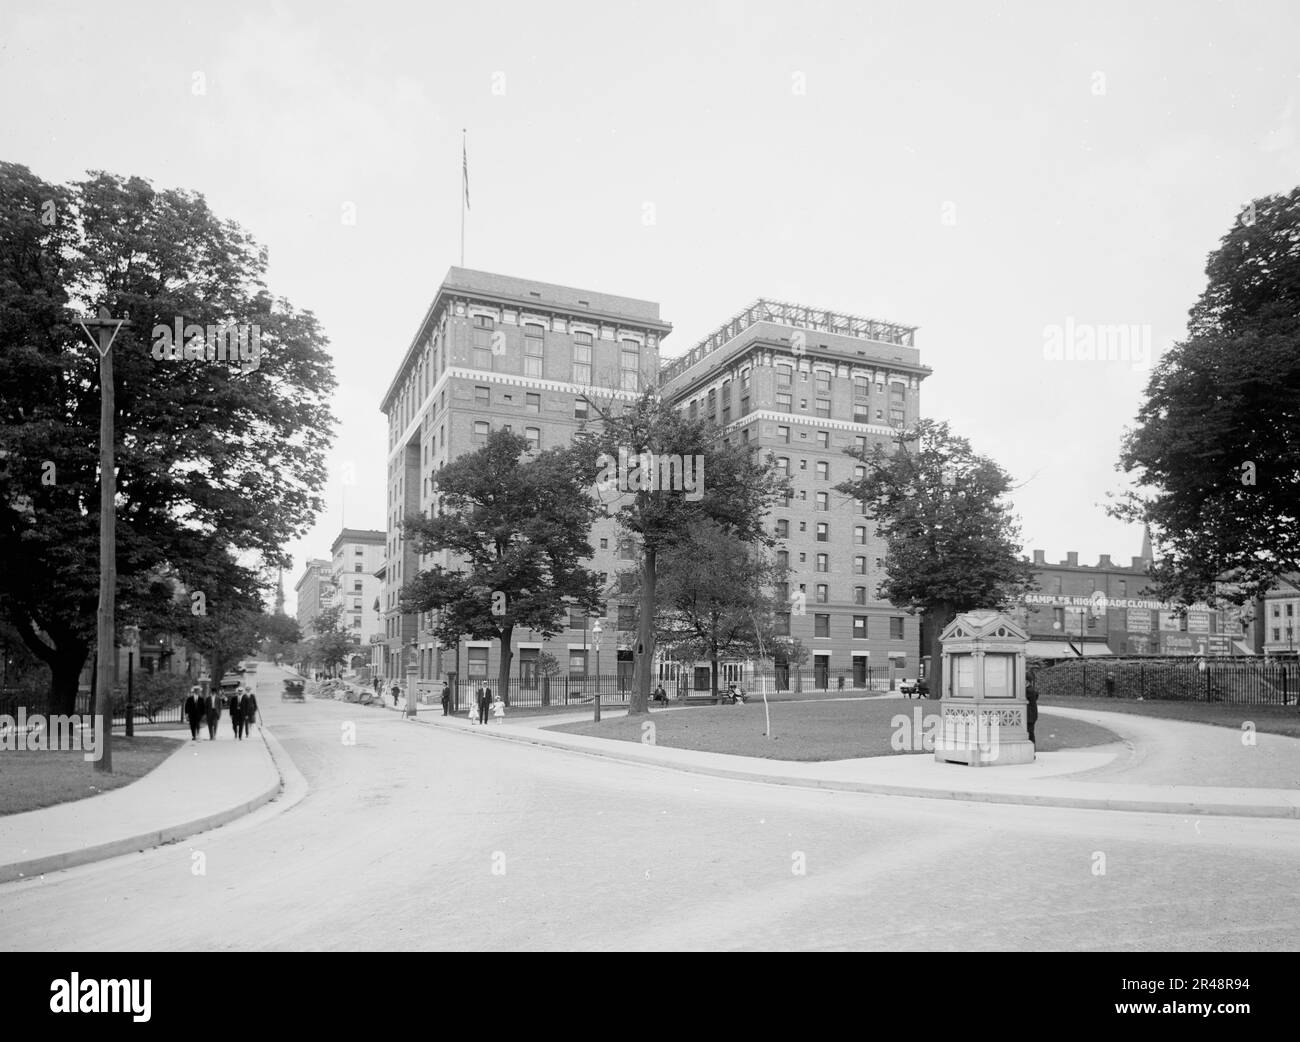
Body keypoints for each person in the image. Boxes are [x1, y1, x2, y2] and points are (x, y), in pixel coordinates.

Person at [1025, 669, 1039, 745]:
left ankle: (1032, 751)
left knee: (1030, 734)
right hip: (1030, 716)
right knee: (1030, 733)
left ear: (1026, 681)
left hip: (1030, 717)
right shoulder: (1029, 690)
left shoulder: (1029, 691)